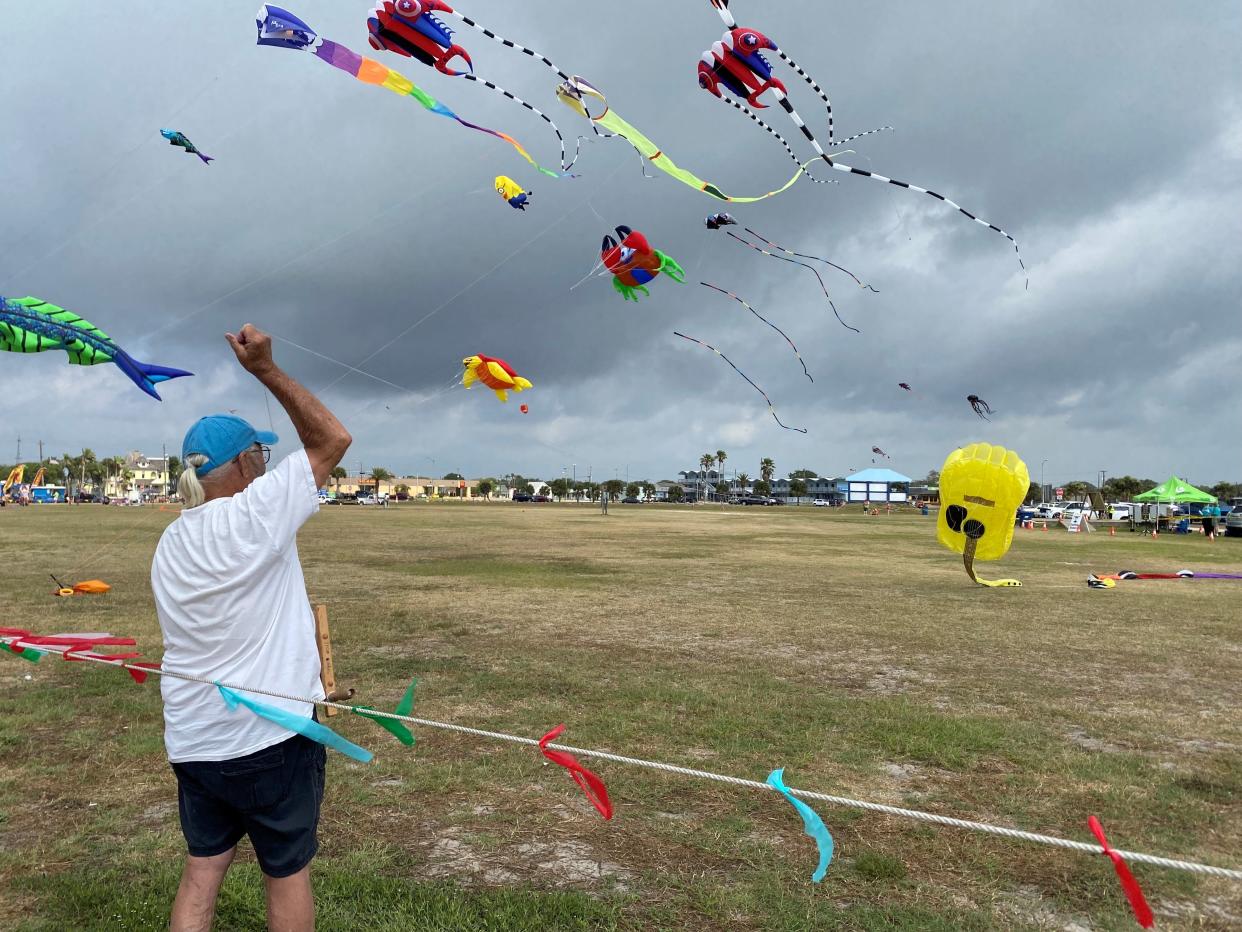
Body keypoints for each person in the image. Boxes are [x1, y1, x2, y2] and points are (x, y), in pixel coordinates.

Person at [151, 324, 351, 932]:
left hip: (194, 740)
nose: (267, 463)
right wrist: (265, 369)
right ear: (244, 463)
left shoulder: (169, 540)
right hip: (270, 738)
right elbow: (332, 439)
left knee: (202, 870)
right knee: (286, 872)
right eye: (260, 454)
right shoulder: (257, 511)